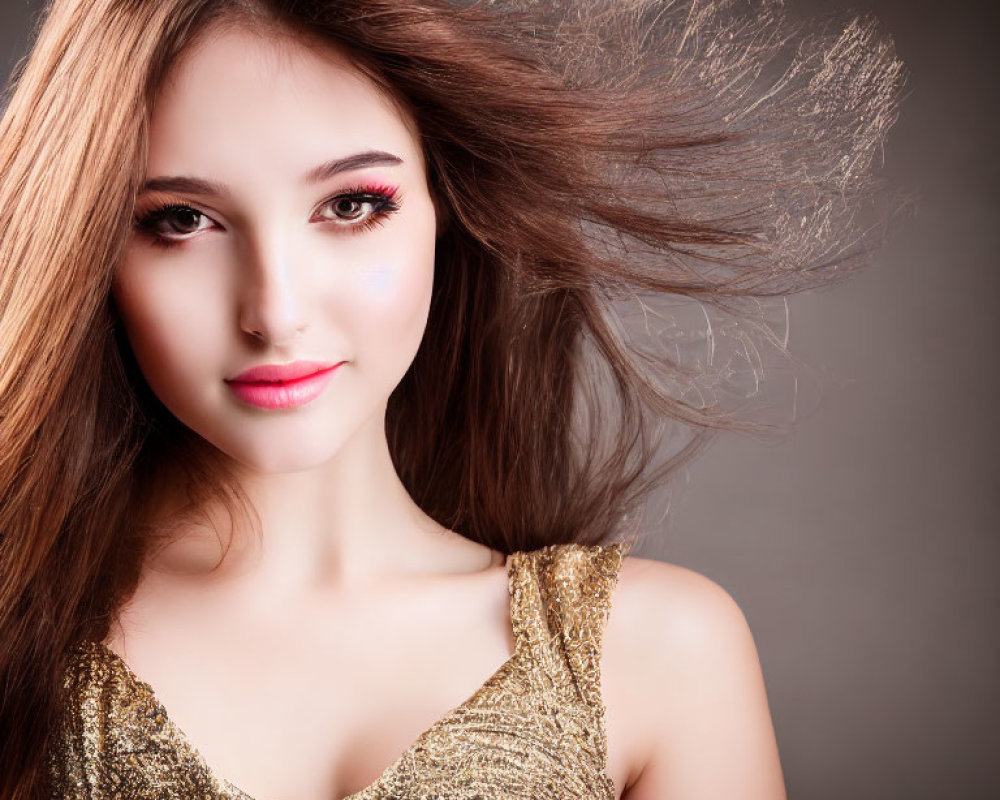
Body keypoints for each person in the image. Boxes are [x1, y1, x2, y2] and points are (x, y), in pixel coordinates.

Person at [0, 0, 901, 798]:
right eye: (180, 221)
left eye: (351, 204)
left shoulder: (659, 654)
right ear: (86, 254)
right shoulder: (19, 640)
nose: (275, 311)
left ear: (445, 211)